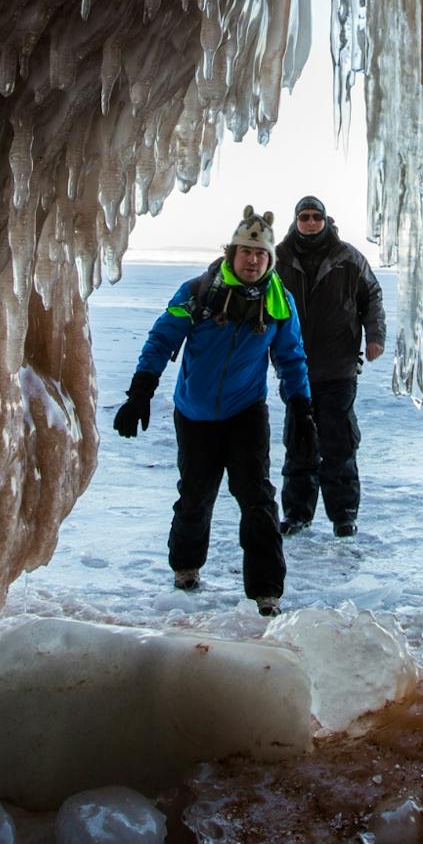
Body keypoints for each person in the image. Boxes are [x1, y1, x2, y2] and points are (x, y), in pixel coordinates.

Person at [113, 205, 311, 616]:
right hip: (196, 413)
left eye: (261, 254)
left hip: (246, 412)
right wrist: (140, 391)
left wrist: (301, 407)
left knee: (257, 500)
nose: (253, 260)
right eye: (246, 252)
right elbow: (162, 338)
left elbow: (291, 358)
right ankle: (186, 567)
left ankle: (266, 590)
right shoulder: (197, 291)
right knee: (195, 496)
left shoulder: (280, 301)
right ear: (231, 253)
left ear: (270, 259)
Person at [274, 194, 386, 538]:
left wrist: (375, 336)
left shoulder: (347, 258)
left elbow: (372, 297)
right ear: (296, 221)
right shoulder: (279, 257)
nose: (309, 223)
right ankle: (296, 514)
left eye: (315, 217)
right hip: (295, 369)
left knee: (339, 443)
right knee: (299, 442)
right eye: (304, 217)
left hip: (338, 368)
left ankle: (344, 515)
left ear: (325, 219)